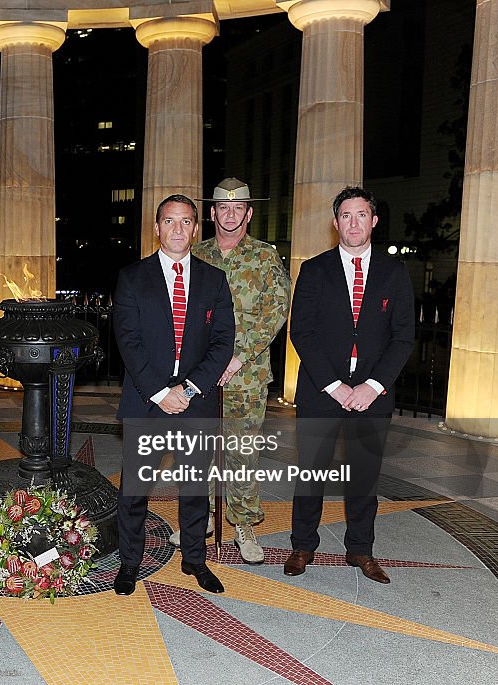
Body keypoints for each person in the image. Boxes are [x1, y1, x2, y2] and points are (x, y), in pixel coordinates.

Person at [284, 186, 414, 584]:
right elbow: (301, 332)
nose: (353, 223)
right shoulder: (315, 268)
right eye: (346, 216)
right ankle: (302, 545)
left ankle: (361, 550)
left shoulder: (394, 272)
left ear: (373, 221)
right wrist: (334, 385)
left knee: (364, 476)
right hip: (322, 392)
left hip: (372, 395)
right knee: (310, 475)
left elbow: (404, 335)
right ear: (335, 222)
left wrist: (372, 385)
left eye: (361, 215)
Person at [113, 194, 235, 596]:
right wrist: (162, 391)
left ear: (196, 228)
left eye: (186, 222)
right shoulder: (132, 277)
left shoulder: (214, 279)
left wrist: (190, 387)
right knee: (134, 490)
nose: (178, 229)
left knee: (195, 488)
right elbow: (128, 342)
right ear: (157, 227)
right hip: (147, 401)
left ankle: (195, 561)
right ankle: (129, 562)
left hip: (196, 402)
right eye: (170, 221)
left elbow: (222, 341)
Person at [169, 178, 290, 563]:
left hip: (246, 372)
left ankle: (243, 524)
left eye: (239, 208)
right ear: (212, 213)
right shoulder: (196, 255)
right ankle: (200, 518)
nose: (231, 214)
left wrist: (237, 355)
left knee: (241, 451)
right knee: (198, 449)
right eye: (223, 208)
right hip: (200, 373)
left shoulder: (265, 257)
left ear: (249, 213)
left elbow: (276, 310)